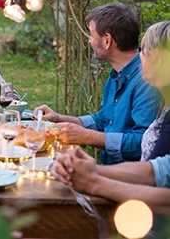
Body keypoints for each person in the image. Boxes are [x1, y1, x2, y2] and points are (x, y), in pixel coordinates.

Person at [51, 20, 170, 215]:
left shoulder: (147, 85)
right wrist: (63, 120)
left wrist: (94, 178)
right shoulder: (117, 76)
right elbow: (155, 170)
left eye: (145, 50)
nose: (140, 56)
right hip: (129, 193)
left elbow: (144, 154)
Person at [34, 2, 162, 165]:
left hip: (127, 180)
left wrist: (86, 136)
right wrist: (59, 120)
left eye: (92, 35)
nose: (89, 40)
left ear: (107, 40)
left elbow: (142, 143)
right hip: (108, 171)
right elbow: (104, 120)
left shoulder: (147, 80)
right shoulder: (117, 74)